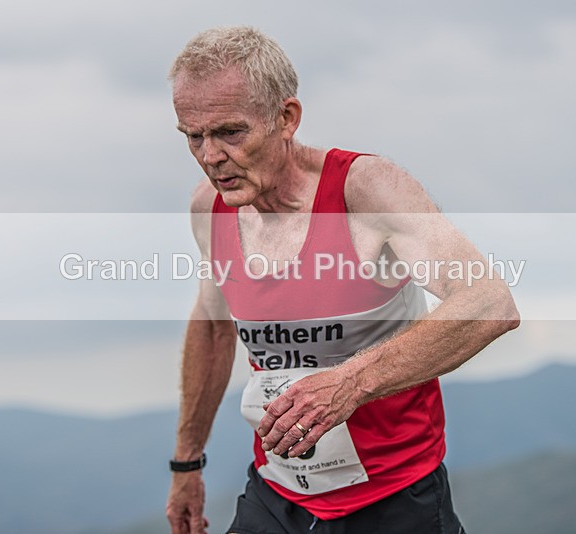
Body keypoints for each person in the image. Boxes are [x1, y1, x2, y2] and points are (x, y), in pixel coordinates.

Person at [165, 26, 519, 534]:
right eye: (193, 136)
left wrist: (348, 383)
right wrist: (186, 464)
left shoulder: (364, 190)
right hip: (276, 494)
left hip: (396, 498)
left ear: (286, 118)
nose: (210, 155)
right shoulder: (210, 208)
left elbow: (489, 302)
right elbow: (214, 325)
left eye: (230, 132)